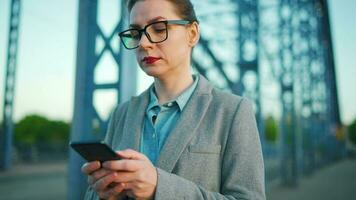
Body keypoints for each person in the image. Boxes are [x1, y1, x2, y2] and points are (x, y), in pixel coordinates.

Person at [82, 0, 265, 199]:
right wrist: (103, 192)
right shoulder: (122, 113)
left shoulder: (233, 110)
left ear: (192, 34)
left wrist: (159, 187)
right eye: (136, 33)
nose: (143, 43)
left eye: (159, 29)